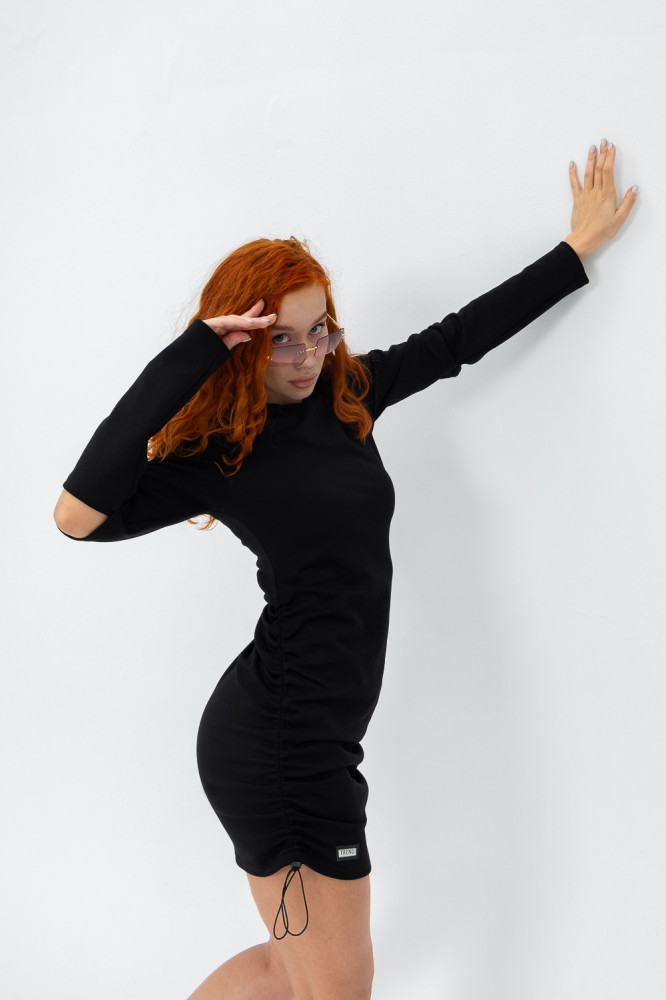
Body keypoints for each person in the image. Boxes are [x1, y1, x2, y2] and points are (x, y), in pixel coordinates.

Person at [54, 140, 637, 1000]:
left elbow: (456, 340)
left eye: (318, 331)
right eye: (280, 341)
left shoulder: (346, 397)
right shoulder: (221, 454)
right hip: (279, 744)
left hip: (320, 734)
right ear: (241, 346)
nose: (307, 357)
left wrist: (575, 250)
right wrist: (192, 353)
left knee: (298, 975)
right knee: (333, 988)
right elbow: (77, 517)